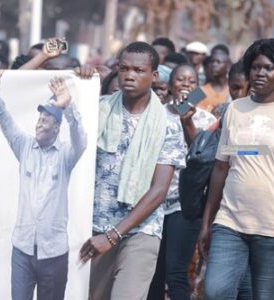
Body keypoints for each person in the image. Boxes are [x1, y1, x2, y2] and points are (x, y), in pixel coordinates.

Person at [79, 42, 185, 300]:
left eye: (138, 70)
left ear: (154, 76)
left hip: (141, 230)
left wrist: (114, 234)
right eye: (124, 68)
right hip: (94, 227)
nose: (129, 75)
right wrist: (78, 85)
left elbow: (159, 190)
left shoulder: (168, 124)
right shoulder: (96, 109)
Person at [0, 71, 87, 300]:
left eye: (46, 120)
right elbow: (5, 121)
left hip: (53, 252)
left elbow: (80, 140)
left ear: (56, 128)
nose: (39, 124)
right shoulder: (24, 146)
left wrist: (69, 107)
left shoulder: (65, 154)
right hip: (22, 250)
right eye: (39, 119)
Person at [200, 38, 274, 300]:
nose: (261, 73)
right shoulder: (235, 109)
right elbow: (221, 167)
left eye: (269, 68)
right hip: (230, 222)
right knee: (215, 291)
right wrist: (207, 223)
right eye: (256, 67)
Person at [147, 64, 216, 300]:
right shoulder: (154, 114)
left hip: (185, 205)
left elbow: (203, 158)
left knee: (175, 271)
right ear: (168, 85)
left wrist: (188, 121)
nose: (186, 84)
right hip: (152, 203)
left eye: (191, 81)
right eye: (180, 79)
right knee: (154, 272)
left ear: (197, 86)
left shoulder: (207, 119)